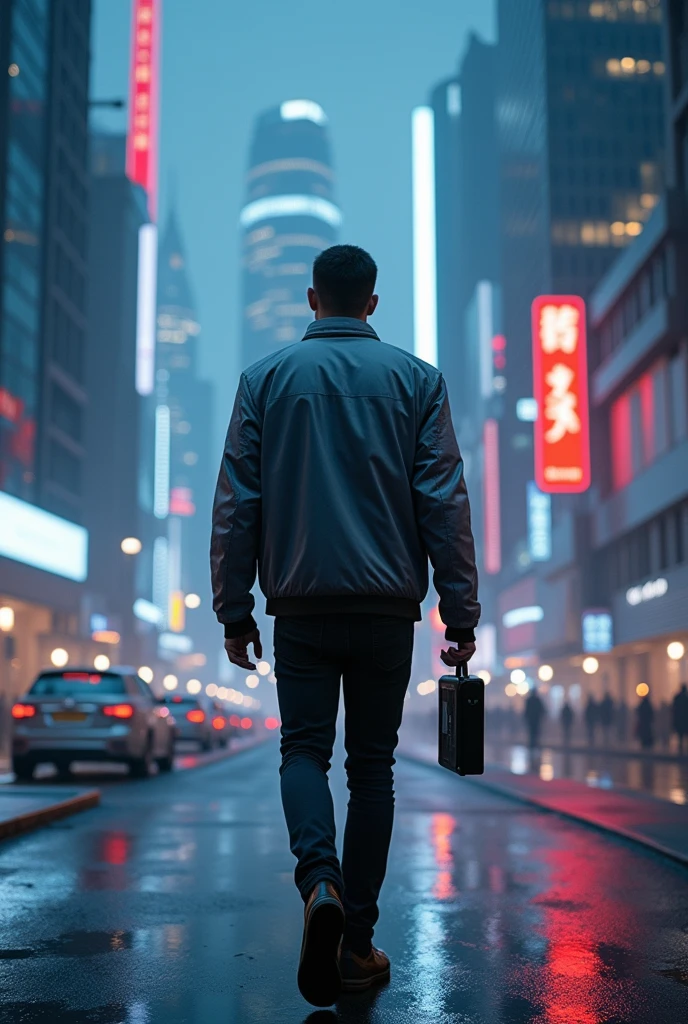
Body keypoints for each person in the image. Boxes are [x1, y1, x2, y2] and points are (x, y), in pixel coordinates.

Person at [210, 245, 480, 1008]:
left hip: (297, 606)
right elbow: (443, 502)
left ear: (310, 298)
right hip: (388, 609)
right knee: (372, 769)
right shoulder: (417, 381)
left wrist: (234, 609)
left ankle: (318, 882)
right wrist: (459, 610)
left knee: (302, 751)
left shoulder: (264, 380)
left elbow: (239, 502)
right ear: (371, 303)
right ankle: (355, 941)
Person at [672, 684, 688, 755]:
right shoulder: (685, 697)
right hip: (684, 719)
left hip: (680, 719)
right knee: (682, 734)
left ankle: (681, 748)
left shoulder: (677, 697)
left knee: (680, 735)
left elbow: (674, 709)